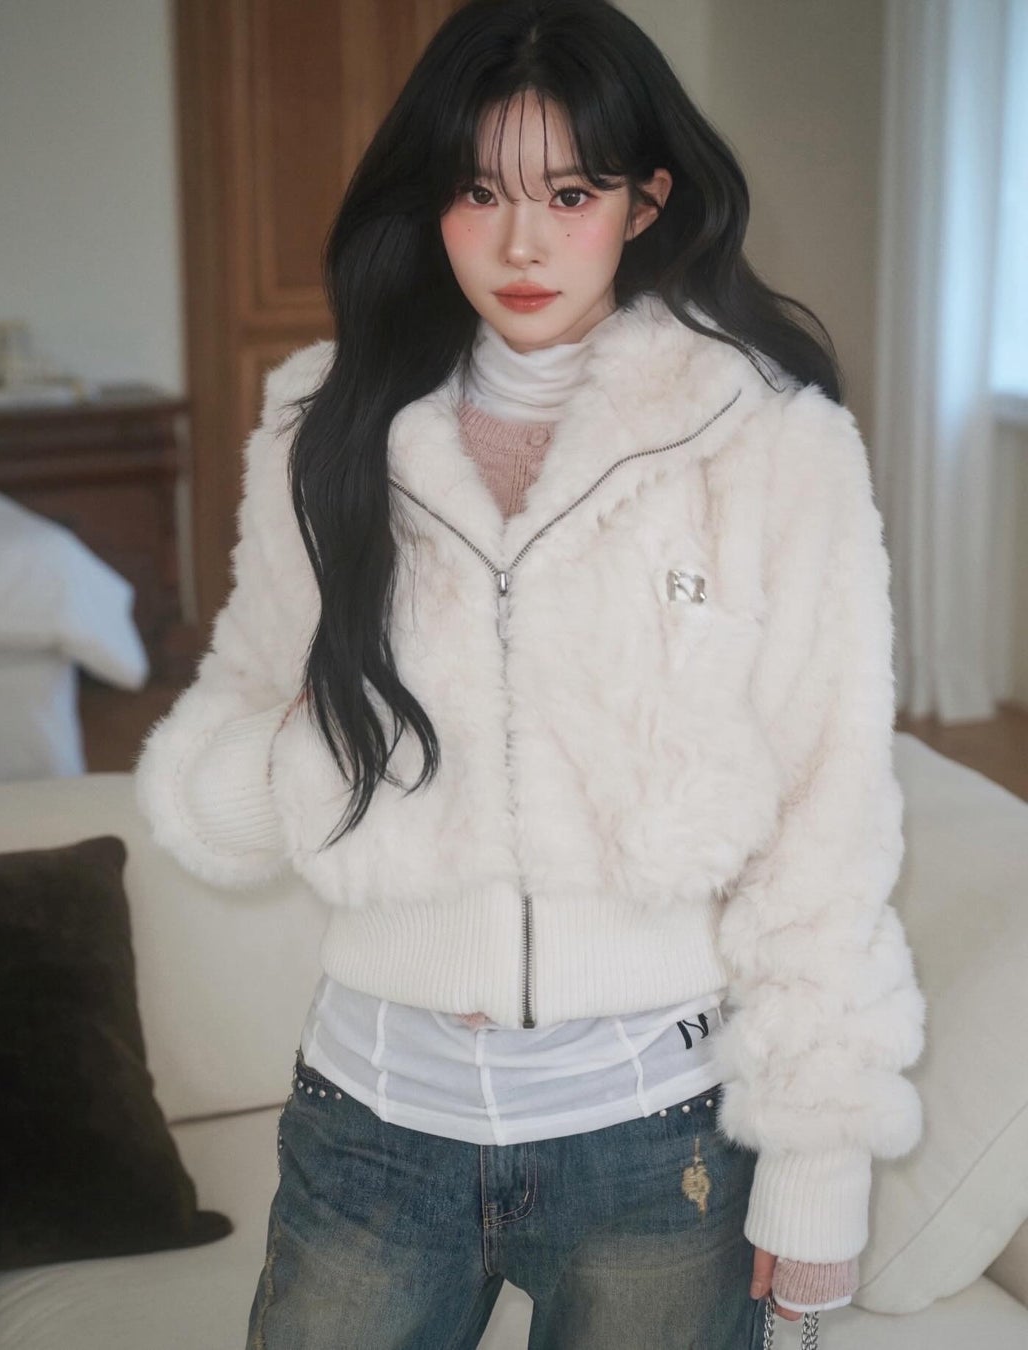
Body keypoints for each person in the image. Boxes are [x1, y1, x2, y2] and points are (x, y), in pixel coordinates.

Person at [135, 2, 926, 1346]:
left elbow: (828, 824)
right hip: (371, 1123)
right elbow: (239, 730)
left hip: (656, 1142)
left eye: (569, 193)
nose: (520, 244)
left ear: (644, 200)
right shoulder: (326, 428)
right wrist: (310, 754)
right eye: (478, 190)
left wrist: (819, 1164)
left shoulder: (773, 444)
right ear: (428, 201)